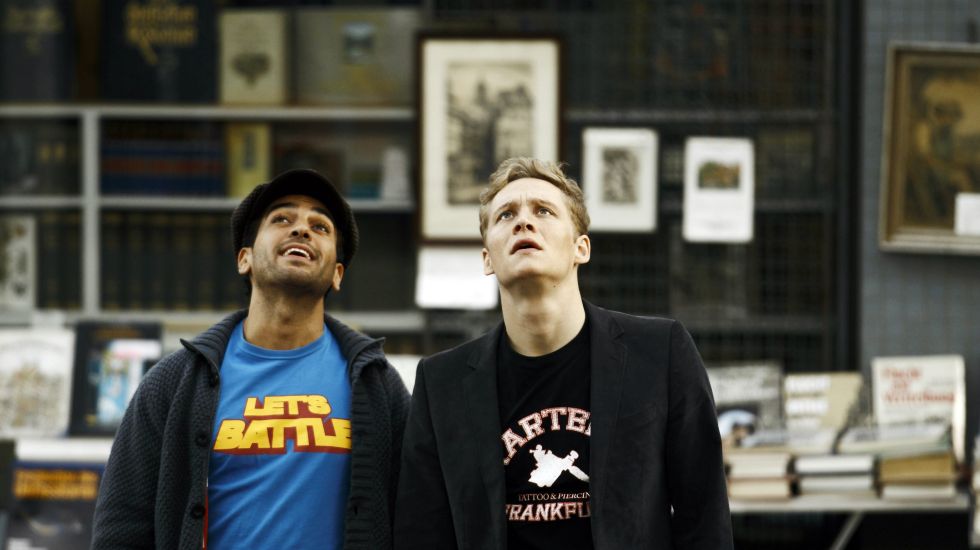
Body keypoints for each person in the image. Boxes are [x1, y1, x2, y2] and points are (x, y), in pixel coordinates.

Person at [394, 157, 732, 549]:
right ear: (487, 259)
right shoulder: (442, 383)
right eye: (506, 215)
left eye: (543, 211)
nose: (523, 222)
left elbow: (704, 516)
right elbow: (421, 533)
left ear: (580, 248)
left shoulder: (660, 352)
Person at [92, 169, 411, 550]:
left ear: (337, 275)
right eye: (282, 219)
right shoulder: (174, 383)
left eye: (320, 227)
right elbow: (121, 527)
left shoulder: (377, 385)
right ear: (244, 259)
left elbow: (415, 520)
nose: (301, 229)